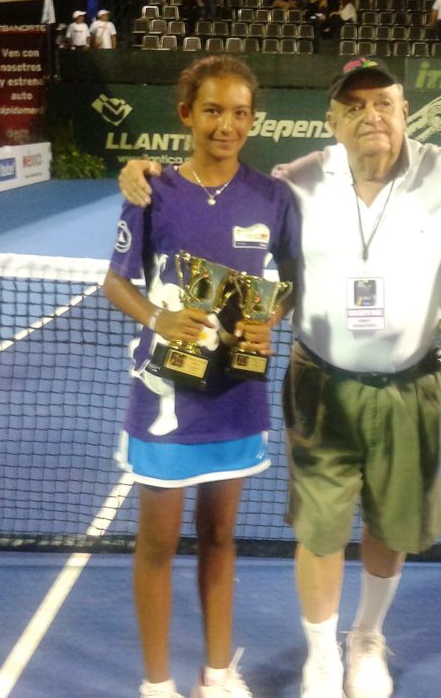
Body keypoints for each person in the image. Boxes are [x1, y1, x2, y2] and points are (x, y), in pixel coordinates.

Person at [115, 56, 441, 698]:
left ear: (408, 112)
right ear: (333, 120)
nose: (370, 116)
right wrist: (142, 171)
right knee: (320, 528)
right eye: (354, 106)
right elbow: (261, 250)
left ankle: (367, 637)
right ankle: (322, 656)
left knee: (390, 523)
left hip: (414, 383)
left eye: (384, 103)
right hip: (321, 382)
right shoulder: (294, 181)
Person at [104, 56, 299, 698]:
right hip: (164, 399)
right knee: (158, 541)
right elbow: (115, 282)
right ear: (187, 114)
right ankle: (156, 683)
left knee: (220, 536)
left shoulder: (274, 197)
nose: (227, 125)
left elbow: (294, 282)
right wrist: (160, 318)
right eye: (214, 110)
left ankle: (218, 673)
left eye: (240, 113)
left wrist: (272, 318)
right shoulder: (152, 190)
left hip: (236, 397)